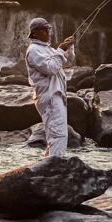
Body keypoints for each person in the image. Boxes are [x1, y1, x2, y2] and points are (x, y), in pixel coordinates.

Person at [25, 17, 75, 157]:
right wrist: (60, 50)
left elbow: (68, 62)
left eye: (49, 29)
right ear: (35, 33)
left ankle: (47, 165)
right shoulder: (33, 51)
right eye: (45, 29)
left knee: (55, 135)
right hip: (49, 97)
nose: (49, 32)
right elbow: (51, 68)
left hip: (56, 95)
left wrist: (68, 47)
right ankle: (55, 168)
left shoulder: (47, 49)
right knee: (58, 134)